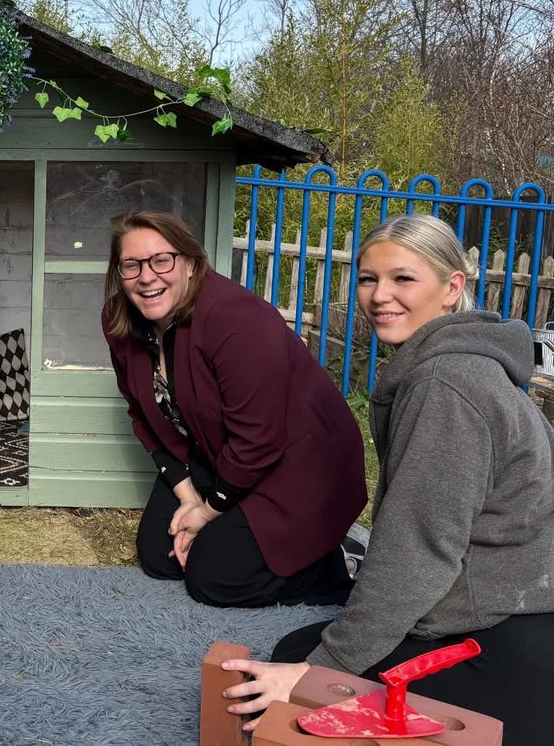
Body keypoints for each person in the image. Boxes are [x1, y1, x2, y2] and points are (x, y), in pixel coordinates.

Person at [221, 214, 554, 743]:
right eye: (368, 278)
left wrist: (322, 670)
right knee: (301, 652)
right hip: (519, 603)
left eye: (403, 278)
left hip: (495, 628)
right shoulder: (471, 367)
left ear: (452, 288)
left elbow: (419, 552)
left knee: (293, 668)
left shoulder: (446, 383)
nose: (380, 296)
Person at [102, 211, 366, 608]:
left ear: (190, 264)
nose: (146, 276)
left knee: (216, 580)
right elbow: (144, 417)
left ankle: (330, 560)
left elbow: (260, 438)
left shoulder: (234, 318)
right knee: (159, 557)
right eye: (131, 265)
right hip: (218, 450)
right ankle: (241, 534)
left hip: (297, 462)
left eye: (162, 260)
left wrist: (208, 514)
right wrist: (188, 497)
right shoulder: (119, 320)